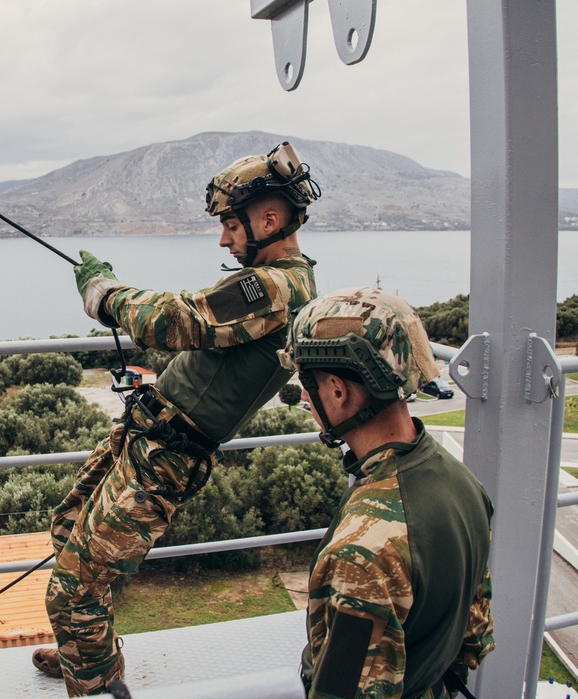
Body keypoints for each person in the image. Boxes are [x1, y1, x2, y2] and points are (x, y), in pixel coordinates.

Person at [35, 143, 321, 696]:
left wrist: (103, 293)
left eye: (230, 225)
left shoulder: (278, 287)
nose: (223, 238)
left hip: (165, 457)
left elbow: (178, 320)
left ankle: (96, 683)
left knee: (73, 589)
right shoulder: (273, 281)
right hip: (145, 435)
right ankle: (87, 650)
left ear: (268, 218)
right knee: (69, 527)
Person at [278, 287, 495, 698]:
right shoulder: (462, 482)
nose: (304, 395)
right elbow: (474, 634)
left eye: (307, 383)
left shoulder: (362, 552)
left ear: (338, 391)